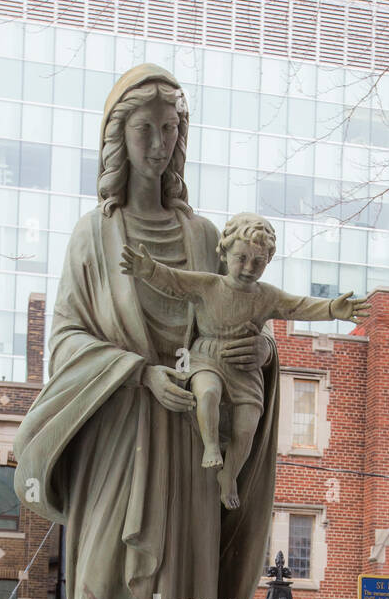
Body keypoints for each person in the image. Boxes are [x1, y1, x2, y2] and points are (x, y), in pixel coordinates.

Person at [13, 66, 280, 599]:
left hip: (191, 462)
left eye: (171, 129)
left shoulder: (204, 238)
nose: (159, 145)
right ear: (118, 140)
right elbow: (65, 342)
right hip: (120, 450)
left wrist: (252, 355)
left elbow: (235, 330)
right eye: (145, 129)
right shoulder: (92, 237)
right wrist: (136, 373)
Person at [122, 211, 369, 509]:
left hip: (243, 371)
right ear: (225, 253)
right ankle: (211, 446)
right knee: (208, 393)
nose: (249, 267)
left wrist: (331, 308)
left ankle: (229, 476)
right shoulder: (209, 285)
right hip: (208, 357)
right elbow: (175, 281)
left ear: (267, 262)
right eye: (242, 258)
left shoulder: (267, 296)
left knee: (246, 426)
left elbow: (298, 306)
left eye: (258, 261)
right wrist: (148, 270)